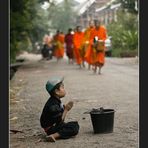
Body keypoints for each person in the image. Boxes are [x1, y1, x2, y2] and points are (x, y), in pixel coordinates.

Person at [40, 76, 79, 142]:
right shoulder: (53, 105)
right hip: (51, 128)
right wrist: (66, 110)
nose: (64, 89)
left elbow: (60, 119)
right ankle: (54, 135)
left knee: (74, 124)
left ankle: (56, 134)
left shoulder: (55, 100)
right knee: (73, 128)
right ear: (57, 91)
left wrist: (64, 109)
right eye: (62, 87)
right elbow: (60, 121)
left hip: (53, 126)